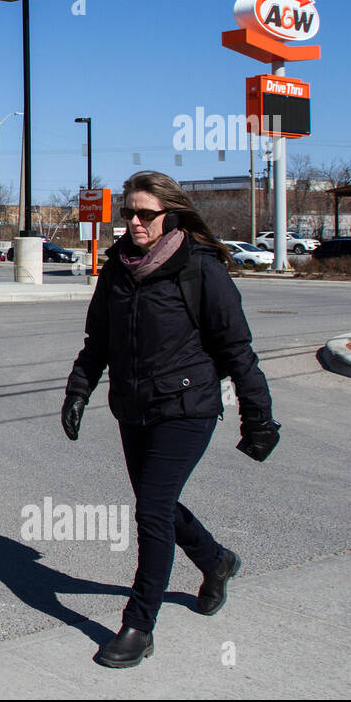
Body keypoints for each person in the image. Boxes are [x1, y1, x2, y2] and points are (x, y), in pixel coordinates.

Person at [62, 171, 280, 668]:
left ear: (170, 215)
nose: (135, 223)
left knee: (151, 510)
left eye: (145, 214)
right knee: (155, 504)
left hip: (187, 407)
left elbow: (236, 347)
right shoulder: (117, 266)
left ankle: (138, 624)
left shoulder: (199, 268)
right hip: (133, 406)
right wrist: (79, 390)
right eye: (129, 214)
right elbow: (99, 340)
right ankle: (216, 560)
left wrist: (258, 416)